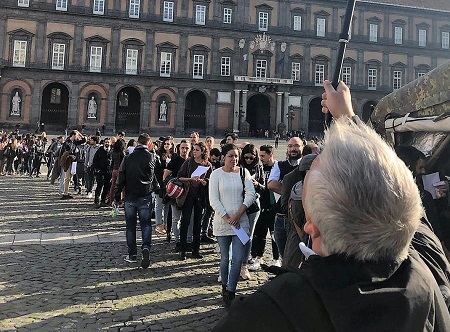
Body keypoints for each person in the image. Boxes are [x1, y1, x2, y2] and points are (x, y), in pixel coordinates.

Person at [213, 80, 450, 331]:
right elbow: (406, 205)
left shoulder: (267, 311)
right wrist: (348, 119)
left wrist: (347, 119)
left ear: (311, 228)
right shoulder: (427, 273)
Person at [209, 144, 256, 307]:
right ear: (224, 157)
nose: (234, 159)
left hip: (240, 222)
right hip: (223, 223)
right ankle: (224, 286)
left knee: (237, 259)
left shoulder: (244, 173)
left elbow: (251, 194)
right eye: (231, 156)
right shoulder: (216, 175)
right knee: (225, 258)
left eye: (236, 156)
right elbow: (213, 200)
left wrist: (237, 215)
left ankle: (231, 290)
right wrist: (227, 217)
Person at [114, 133, 162, 269]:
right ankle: (146, 248)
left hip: (129, 196)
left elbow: (121, 178)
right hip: (145, 196)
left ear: (137, 143)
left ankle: (132, 254)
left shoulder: (128, 158)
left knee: (130, 226)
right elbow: (155, 176)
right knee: (146, 225)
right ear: (149, 143)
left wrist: (117, 195)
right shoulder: (152, 157)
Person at [267, 136, 303, 260]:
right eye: (290, 146)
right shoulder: (279, 165)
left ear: (302, 147)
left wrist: (284, 189)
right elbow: (271, 184)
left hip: (300, 219)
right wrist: (295, 194)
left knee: (298, 252)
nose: (293, 149)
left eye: (297, 146)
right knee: (283, 253)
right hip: (281, 218)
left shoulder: (306, 166)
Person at [177, 141, 212, 260]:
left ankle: (196, 250)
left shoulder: (207, 164)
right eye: (194, 149)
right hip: (188, 195)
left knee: (198, 223)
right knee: (185, 221)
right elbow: (179, 177)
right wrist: (190, 179)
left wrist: (204, 181)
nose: (194, 152)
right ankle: (182, 250)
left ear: (203, 151)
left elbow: (210, 179)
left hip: (200, 196)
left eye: (197, 150)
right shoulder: (188, 162)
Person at [249, 145, 280, 271]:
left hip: (274, 206)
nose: (260, 158)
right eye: (260, 155)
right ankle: (258, 258)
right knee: (259, 234)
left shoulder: (278, 167)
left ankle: (276, 259)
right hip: (261, 205)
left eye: (263, 156)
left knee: (275, 235)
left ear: (270, 155)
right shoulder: (259, 168)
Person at [238, 144, 265, 280]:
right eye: (246, 157)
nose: (248, 160)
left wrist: (256, 184)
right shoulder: (238, 168)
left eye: (251, 158)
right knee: (238, 235)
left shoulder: (258, 168)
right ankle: (236, 262)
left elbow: (264, 187)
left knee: (248, 236)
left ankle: (244, 264)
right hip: (239, 205)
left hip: (254, 206)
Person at [163, 140, 192, 252]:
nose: (184, 150)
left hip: (189, 194)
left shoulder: (191, 162)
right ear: (179, 148)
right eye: (182, 148)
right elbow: (165, 177)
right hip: (176, 194)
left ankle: (188, 241)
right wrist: (171, 187)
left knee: (188, 218)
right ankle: (178, 241)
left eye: (187, 148)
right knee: (176, 219)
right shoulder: (174, 161)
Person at [92, 137, 112, 207]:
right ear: (103, 142)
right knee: (99, 185)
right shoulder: (100, 150)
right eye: (106, 142)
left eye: (108, 142)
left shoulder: (112, 151)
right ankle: (96, 200)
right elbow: (95, 160)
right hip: (100, 171)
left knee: (107, 187)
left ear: (110, 143)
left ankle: (103, 200)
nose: (107, 143)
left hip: (108, 172)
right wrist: (97, 169)